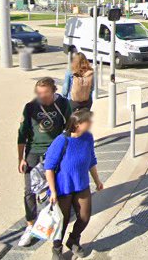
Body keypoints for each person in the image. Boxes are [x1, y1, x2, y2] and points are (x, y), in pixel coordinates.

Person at [16, 78, 72, 248]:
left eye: (45, 93)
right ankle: (31, 225)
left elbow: (69, 128)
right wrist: (21, 158)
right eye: (39, 93)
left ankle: (52, 221)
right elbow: (22, 134)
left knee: (55, 188)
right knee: (29, 191)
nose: (42, 97)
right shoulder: (30, 107)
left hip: (54, 151)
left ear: (54, 91)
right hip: (33, 152)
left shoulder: (63, 104)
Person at [44, 109, 104, 260]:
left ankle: (73, 240)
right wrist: (53, 191)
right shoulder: (61, 141)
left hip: (82, 185)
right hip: (63, 188)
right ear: (77, 124)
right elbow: (49, 167)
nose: (91, 124)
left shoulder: (88, 138)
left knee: (85, 216)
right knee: (62, 221)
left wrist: (97, 181)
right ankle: (57, 249)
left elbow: (91, 160)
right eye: (87, 121)